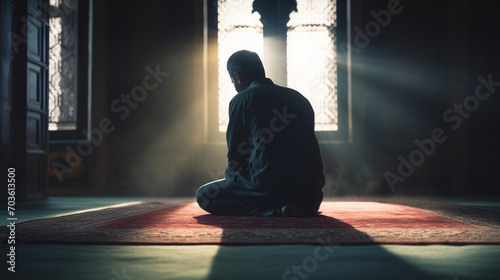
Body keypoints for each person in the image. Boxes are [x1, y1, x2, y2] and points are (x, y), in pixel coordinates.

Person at [196, 50, 325, 217]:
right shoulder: (299, 98)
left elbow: (235, 157)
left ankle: (276, 211)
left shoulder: (241, 100)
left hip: (267, 189)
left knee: (204, 195)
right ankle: (292, 205)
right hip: (310, 192)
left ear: (236, 76)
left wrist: (235, 179)